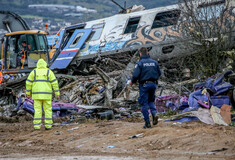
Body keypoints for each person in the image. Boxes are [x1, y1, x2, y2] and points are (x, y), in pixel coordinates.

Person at [129, 47, 161, 128]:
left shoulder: (140, 63)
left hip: (144, 85)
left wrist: (132, 82)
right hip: (153, 84)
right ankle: (154, 113)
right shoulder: (154, 62)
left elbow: (135, 75)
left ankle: (147, 123)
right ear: (148, 53)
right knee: (151, 101)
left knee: (144, 104)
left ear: (140, 54)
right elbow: (159, 73)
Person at [26, 59, 60, 130]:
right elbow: (55, 83)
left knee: (37, 110)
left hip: (37, 95)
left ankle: (37, 126)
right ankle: (48, 126)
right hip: (47, 95)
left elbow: (28, 83)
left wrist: (28, 93)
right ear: (45, 64)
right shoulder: (49, 72)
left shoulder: (34, 72)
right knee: (48, 110)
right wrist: (57, 93)